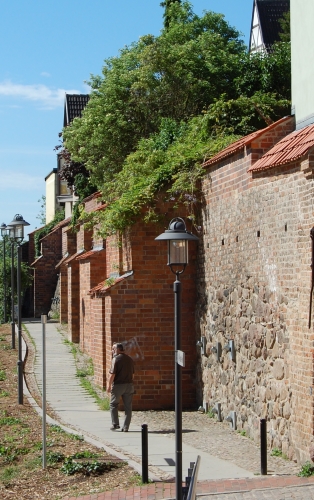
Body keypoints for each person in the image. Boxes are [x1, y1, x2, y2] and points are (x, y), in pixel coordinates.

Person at [107, 342, 134, 432]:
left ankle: (115, 424)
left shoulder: (116, 359)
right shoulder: (130, 359)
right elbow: (133, 374)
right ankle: (126, 426)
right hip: (129, 385)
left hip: (118, 385)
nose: (112, 351)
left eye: (113, 349)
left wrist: (109, 385)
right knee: (128, 407)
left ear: (118, 349)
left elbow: (112, 374)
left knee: (113, 404)